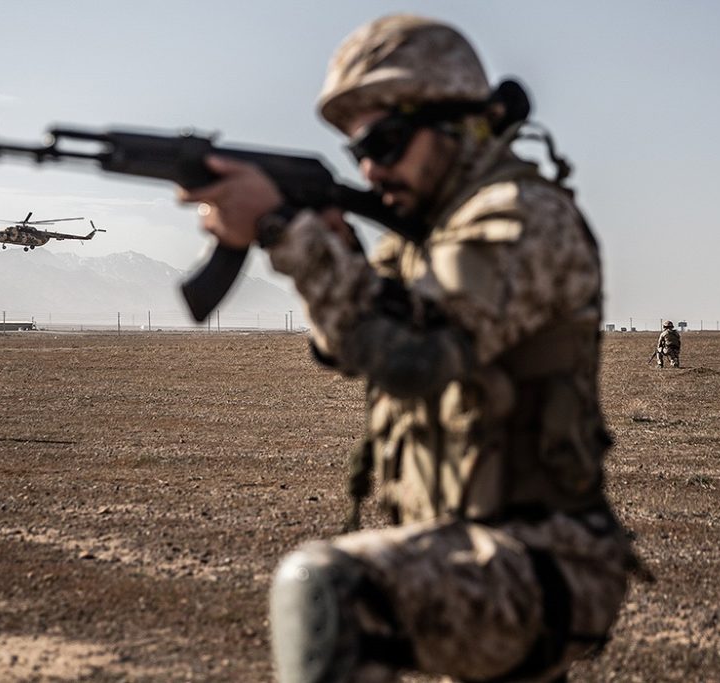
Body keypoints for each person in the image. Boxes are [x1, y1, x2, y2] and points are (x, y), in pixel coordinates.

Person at [179, 15, 636, 683]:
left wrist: (283, 229)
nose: (369, 168)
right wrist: (333, 250)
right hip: (470, 545)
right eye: (357, 151)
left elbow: (413, 359)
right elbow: (352, 345)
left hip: (546, 559)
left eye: (386, 142)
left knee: (330, 587)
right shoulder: (431, 235)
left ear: (460, 123)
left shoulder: (518, 215)